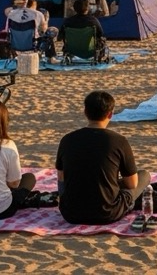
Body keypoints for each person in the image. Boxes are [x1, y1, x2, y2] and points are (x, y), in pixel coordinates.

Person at [56, 91, 150, 225]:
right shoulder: (118, 141)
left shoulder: (67, 140)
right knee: (144, 175)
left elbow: (61, 179)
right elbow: (132, 184)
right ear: (110, 114)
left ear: (85, 112)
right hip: (107, 213)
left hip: (70, 213)